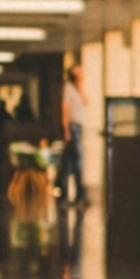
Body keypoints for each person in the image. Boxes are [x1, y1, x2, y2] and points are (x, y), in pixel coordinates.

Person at [57, 64, 88, 207]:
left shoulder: (77, 89)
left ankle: (63, 193)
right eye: (79, 73)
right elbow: (65, 110)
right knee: (78, 161)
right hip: (72, 127)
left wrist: (80, 86)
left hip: (79, 128)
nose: (82, 75)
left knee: (68, 162)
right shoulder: (68, 89)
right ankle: (80, 194)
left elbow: (86, 101)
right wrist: (66, 131)